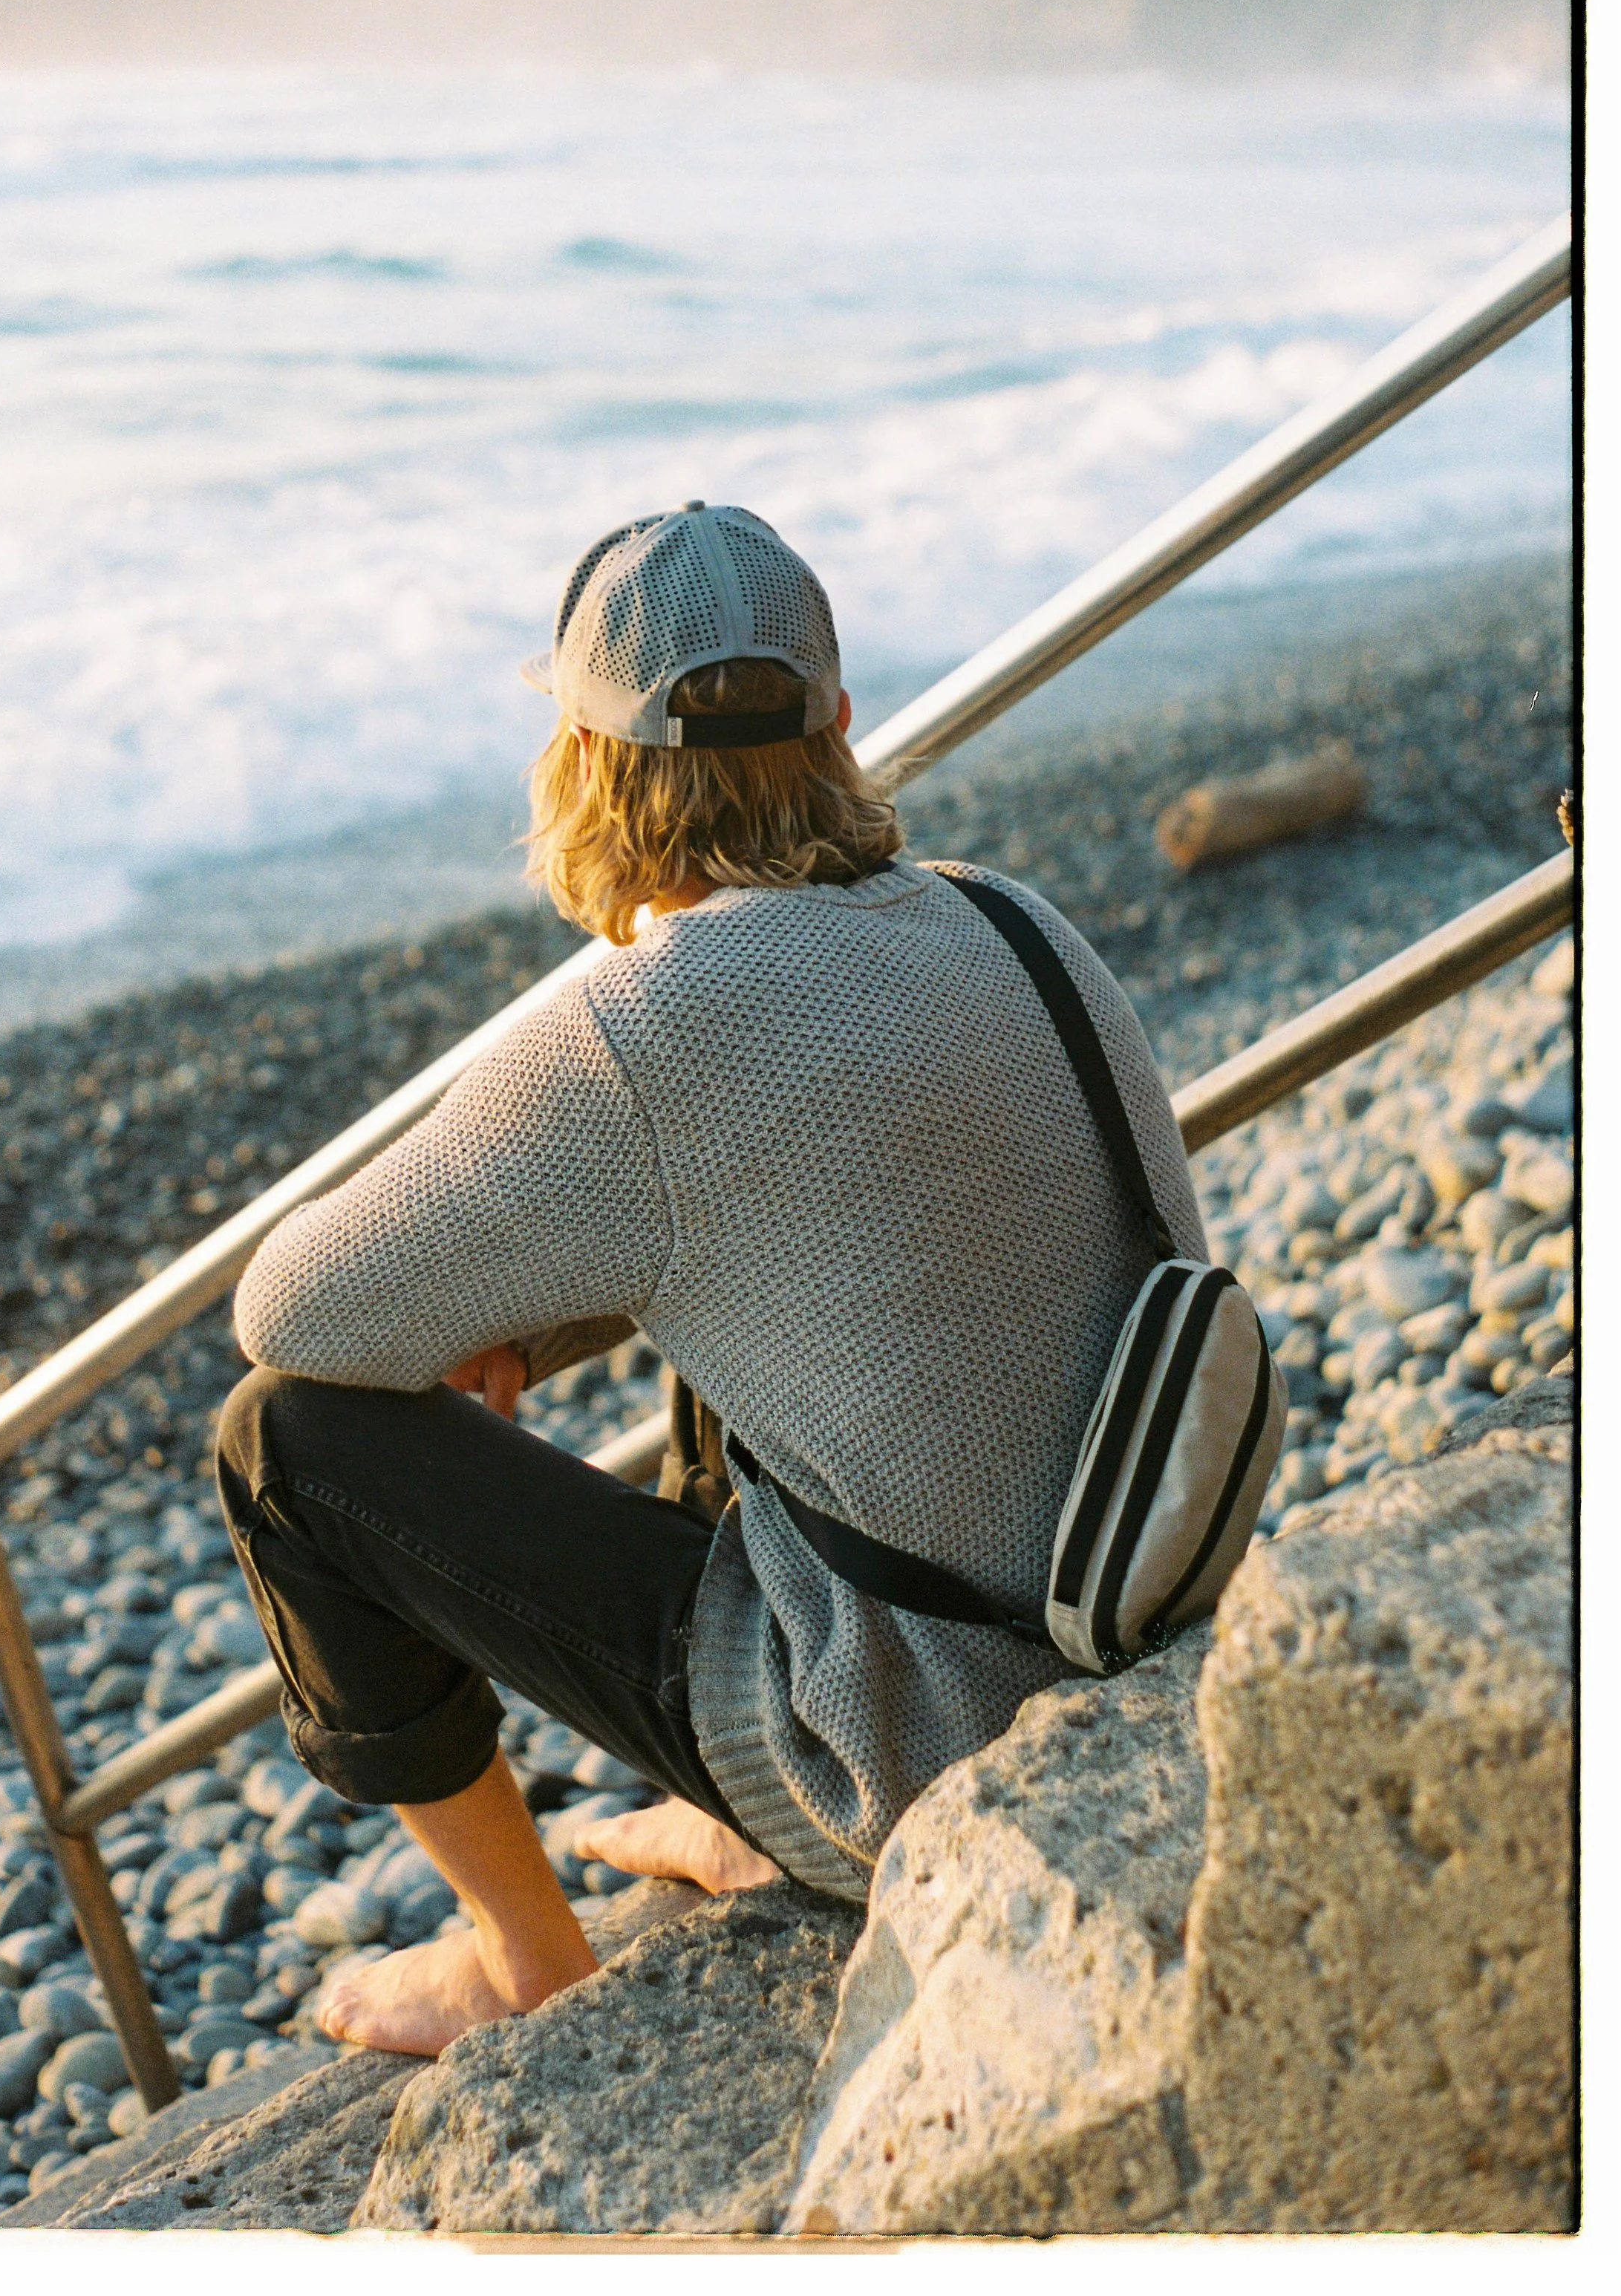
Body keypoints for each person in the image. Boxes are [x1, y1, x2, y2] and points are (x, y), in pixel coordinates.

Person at [219, 500, 1207, 2056]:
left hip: (903, 1743)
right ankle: (719, 1815)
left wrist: (484, 1324)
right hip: (1135, 1604)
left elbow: (287, 1314)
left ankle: (520, 1953)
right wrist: (534, 1315)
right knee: (721, 1258)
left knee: (284, 1439)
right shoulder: (1012, 921)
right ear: (836, 721)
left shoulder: (648, 1031)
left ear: (582, 762)